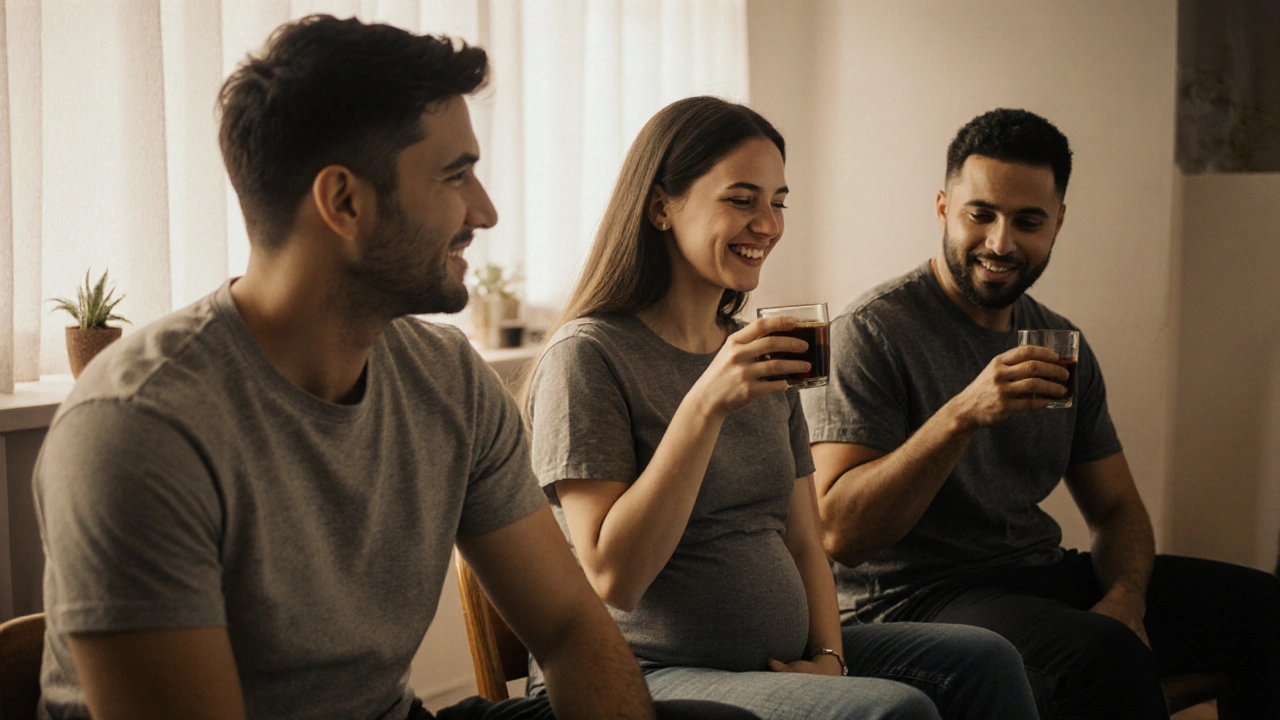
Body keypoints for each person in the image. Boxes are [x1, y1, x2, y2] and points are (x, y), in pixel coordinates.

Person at [32, 16, 759, 720]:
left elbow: (571, 628)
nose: (487, 211)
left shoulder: (448, 378)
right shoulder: (139, 428)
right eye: (456, 177)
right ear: (344, 201)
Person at [521, 96, 1040, 720]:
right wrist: (705, 405)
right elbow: (615, 577)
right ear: (661, 206)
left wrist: (829, 656)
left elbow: (804, 538)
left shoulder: (759, 349)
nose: (768, 224)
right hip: (642, 675)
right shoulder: (589, 356)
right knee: (892, 711)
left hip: (776, 663)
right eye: (742, 199)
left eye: (779, 201)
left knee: (989, 659)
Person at [804, 107, 1280, 720]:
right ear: (944, 208)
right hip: (914, 598)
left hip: (1033, 573)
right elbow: (841, 533)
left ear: (1057, 223)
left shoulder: (1058, 339)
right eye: (981, 215)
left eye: (1027, 221)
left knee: (1263, 607)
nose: (1001, 243)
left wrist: (1126, 597)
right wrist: (962, 415)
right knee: (1100, 657)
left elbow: (1116, 509)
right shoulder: (872, 333)